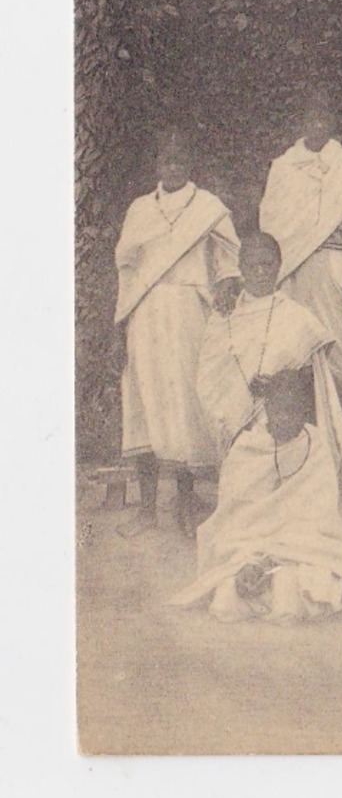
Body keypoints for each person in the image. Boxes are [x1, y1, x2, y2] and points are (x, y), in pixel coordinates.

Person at [114, 130, 240, 538]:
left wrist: (225, 285)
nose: (173, 167)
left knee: (185, 403)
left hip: (188, 311)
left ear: (190, 163)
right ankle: (148, 509)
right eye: (166, 160)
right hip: (145, 314)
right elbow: (128, 272)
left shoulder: (208, 207)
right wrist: (120, 324)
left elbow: (229, 259)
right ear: (157, 164)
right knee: (145, 402)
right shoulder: (139, 210)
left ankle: (187, 508)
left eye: (180, 159)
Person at [170, 370, 342, 623]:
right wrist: (252, 558)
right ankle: (249, 580)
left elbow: (320, 518)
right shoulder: (246, 448)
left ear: (306, 412)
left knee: (294, 591)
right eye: (281, 410)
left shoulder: (315, 445)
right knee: (226, 600)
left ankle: (276, 583)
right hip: (248, 546)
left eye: (295, 411)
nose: (286, 419)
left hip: (299, 547)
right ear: (268, 407)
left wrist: (274, 555)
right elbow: (233, 519)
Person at [196, 232, 342, 523]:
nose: (260, 273)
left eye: (267, 265)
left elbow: (316, 380)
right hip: (240, 427)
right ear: (240, 268)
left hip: (285, 424)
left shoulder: (297, 316)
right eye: (252, 265)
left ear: (279, 266)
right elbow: (209, 377)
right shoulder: (224, 316)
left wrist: (282, 382)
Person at [258, 93, 342, 398]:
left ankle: (339, 409)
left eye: (323, 119)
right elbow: (272, 222)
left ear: (332, 123)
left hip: (335, 265)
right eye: (310, 120)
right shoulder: (284, 167)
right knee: (295, 343)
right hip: (293, 269)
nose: (317, 126)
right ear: (300, 124)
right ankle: (301, 411)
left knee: (337, 341)